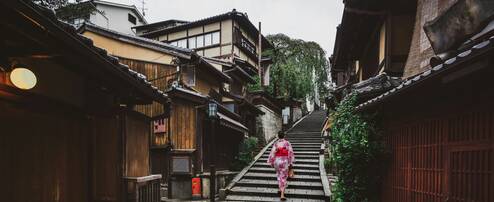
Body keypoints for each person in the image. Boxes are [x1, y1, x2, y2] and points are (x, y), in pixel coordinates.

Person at [267, 131, 295, 201]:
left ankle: (280, 189)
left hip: (277, 161)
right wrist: (291, 163)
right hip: (284, 161)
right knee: (284, 177)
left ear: (278, 136)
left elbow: (272, 153)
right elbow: (290, 153)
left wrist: (271, 162)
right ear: (284, 136)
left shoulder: (276, 143)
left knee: (279, 175)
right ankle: (282, 194)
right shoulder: (287, 143)